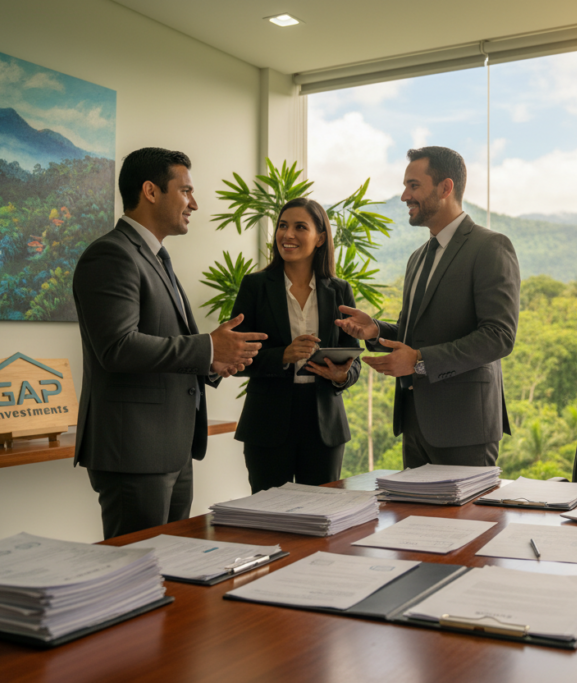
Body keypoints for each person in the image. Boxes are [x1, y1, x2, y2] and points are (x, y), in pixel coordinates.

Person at [73, 147, 266, 540]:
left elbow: (165, 341)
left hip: (171, 449)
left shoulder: (156, 257)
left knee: (171, 570)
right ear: (150, 191)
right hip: (134, 451)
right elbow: (118, 347)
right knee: (135, 573)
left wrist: (212, 362)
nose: (194, 203)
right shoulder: (111, 254)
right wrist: (207, 349)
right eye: (186, 191)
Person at [336, 146, 520, 467]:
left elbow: (498, 336)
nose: (405, 195)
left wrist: (420, 362)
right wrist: (376, 330)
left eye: (414, 185)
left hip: (465, 428)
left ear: (445, 188)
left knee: (465, 520)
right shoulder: (417, 257)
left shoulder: (490, 246)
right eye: (406, 186)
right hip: (414, 426)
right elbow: (414, 335)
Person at [230, 197, 362, 493]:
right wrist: (283, 355)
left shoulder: (340, 291)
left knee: (322, 519)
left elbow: (354, 361)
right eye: (282, 226)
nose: (287, 235)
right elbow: (233, 357)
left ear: (320, 239)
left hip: (324, 426)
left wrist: (342, 376)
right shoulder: (255, 287)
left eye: (300, 227)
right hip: (267, 422)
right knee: (268, 519)